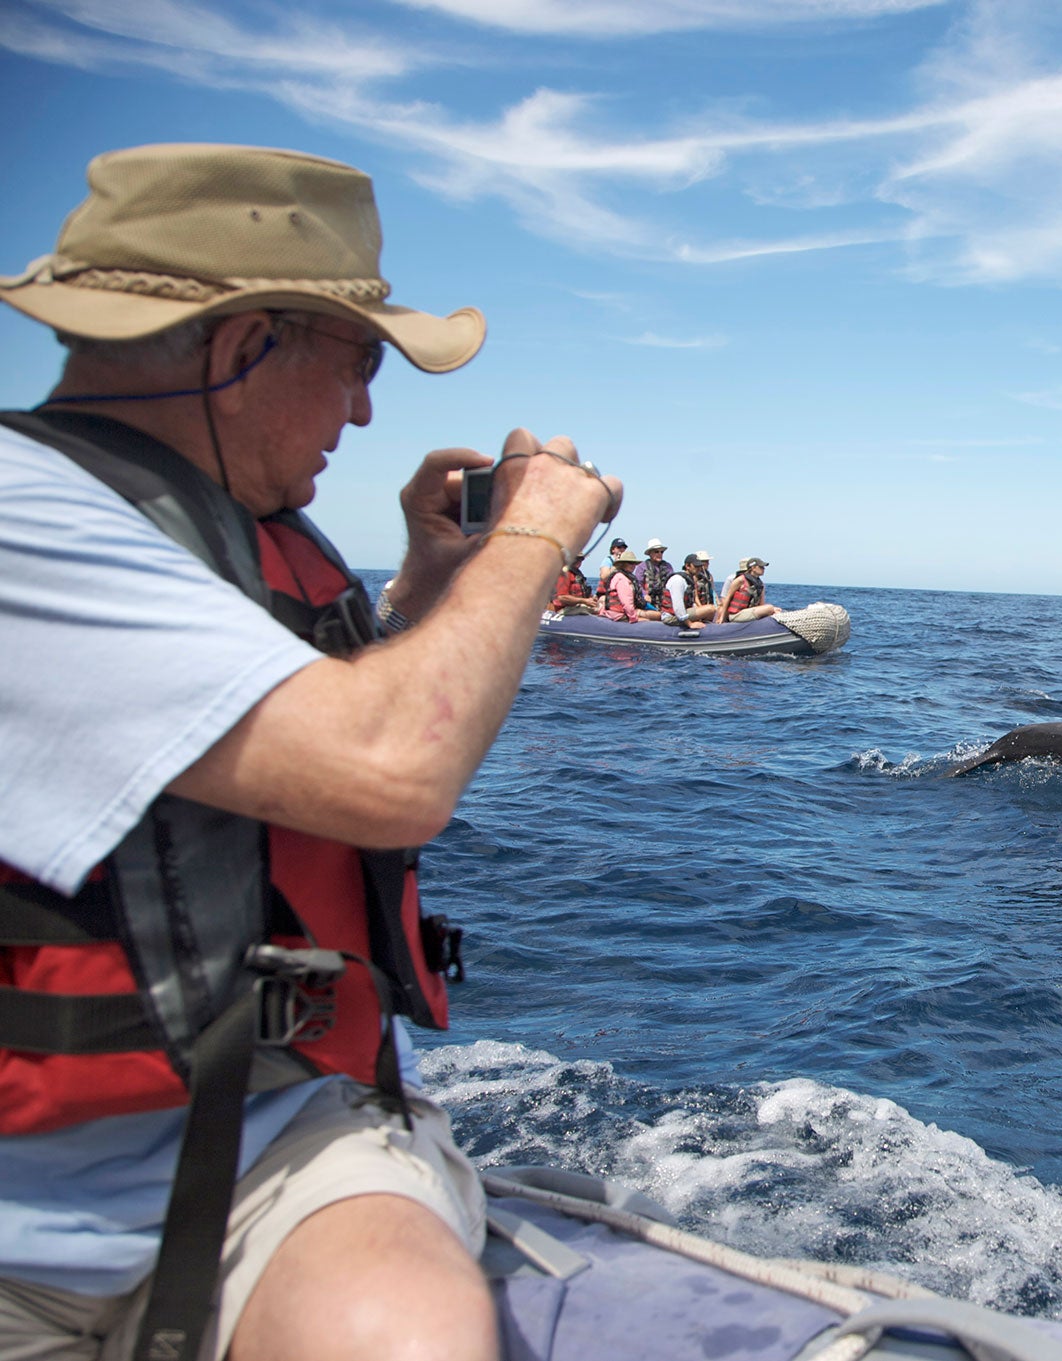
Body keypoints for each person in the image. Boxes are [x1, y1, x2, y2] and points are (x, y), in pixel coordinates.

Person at [0, 143, 623, 1361]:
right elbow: (386, 772)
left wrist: (423, 603)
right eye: (358, 362)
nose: (367, 410)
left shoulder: (216, 532)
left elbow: (255, 734)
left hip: (261, 1138)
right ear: (243, 345)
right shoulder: (23, 518)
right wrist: (533, 538)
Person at [598, 548, 664, 622]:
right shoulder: (622, 579)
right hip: (619, 613)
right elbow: (627, 603)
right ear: (623, 564)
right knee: (653, 618)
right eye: (630, 563)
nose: (633, 566)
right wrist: (633, 618)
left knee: (658, 614)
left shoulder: (625, 576)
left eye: (634, 563)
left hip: (625, 611)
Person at [715, 556, 781, 624]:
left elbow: (761, 604)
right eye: (761, 567)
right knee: (769, 608)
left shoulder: (761, 585)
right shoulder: (740, 580)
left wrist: (772, 611)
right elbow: (728, 598)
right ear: (753, 568)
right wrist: (722, 617)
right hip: (736, 615)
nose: (763, 569)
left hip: (749, 612)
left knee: (775, 610)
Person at [665, 551, 719, 626]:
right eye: (696, 566)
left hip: (682, 613)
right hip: (672, 617)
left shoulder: (690, 580)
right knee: (710, 609)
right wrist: (690, 624)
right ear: (687, 566)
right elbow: (678, 607)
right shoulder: (678, 580)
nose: (699, 569)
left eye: (700, 566)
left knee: (716, 610)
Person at [633, 538, 674, 611]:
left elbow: (673, 583)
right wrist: (644, 594)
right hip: (648, 602)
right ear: (650, 553)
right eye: (656, 552)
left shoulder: (668, 567)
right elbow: (637, 583)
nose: (660, 554)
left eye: (661, 552)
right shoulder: (642, 567)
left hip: (665, 602)